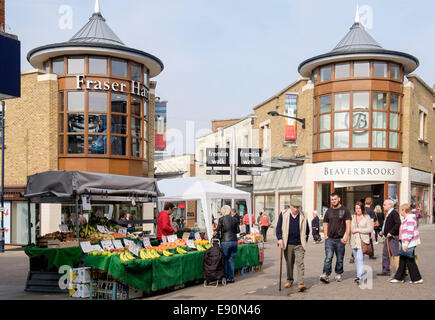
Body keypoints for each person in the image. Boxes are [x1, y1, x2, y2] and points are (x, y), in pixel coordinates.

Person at [276, 197, 310, 292]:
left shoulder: (303, 215)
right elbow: (278, 228)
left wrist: (305, 239)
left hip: (299, 244)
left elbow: (307, 229)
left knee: (300, 263)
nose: (296, 209)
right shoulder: (283, 214)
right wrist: (279, 239)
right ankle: (289, 280)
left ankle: (301, 283)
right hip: (288, 243)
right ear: (290, 206)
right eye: (294, 207)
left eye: (297, 207)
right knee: (289, 263)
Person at [320, 192, 351, 284]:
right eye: (332, 199)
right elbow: (325, 223)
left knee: (340, 258)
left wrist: (346, 236)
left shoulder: (345, 210)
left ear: (339, 199)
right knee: (328, 257)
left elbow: (348, 224)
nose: (333, 201)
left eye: (335, 199)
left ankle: (338, 273)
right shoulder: (328, 211)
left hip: (340, 239)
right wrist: (325, 235)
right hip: (329, 239)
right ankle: (326, 274)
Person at [390, 204, 423, 284]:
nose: (400, 211)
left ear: (404, 210)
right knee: (404, 260)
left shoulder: (410, 219)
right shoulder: (407, 219)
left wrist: (405, 244)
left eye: (401, 210)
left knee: (409, 260)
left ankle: (415, 278)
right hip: (407, 242)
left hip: (409, 243)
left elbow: (410, 233)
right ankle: (403, 277)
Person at [215, 205, 240, 283]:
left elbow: (217, 229)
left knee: (225, 259)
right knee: (231, 259)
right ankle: (231, 278)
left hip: (225, 241)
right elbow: (238, 231)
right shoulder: (235, 219)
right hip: (234, 241)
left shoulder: (221, 219)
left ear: (223, 211)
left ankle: (225, 277)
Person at [351, 202, 373, 285]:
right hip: (354, 241)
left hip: (363, 241)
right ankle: (358, 274)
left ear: (362, 209)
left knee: (360, 258)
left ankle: (359, 277)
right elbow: (350, 228)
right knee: (356, 259)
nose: (357, 210)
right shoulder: (353, 217)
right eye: (356, 208)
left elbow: (370, 229)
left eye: (359, 208)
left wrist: (358, 230)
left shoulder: (366, 217)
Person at [377, 199, 401, 277]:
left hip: (393, 237)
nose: (383, 206)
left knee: (395, 254)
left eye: (384, 204)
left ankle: (399, 271)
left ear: (390, 205)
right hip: (387, 237)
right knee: (385, 254)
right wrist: (382, 231)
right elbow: (387, 224)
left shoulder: (394, 213)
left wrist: (391, 232)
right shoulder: (388, 213)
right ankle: (385, 270)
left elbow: (398, 224)